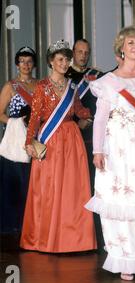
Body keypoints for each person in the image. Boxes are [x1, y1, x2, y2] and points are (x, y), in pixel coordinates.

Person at [85, 25, 135, 281]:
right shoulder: (108, 82)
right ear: (121, 47)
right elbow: (99, 119)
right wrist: (97, 150)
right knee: (120, 198)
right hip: (117, 146)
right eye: (130, 43)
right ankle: (123, 257)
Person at [20, 40, 97, 253]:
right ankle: (46, 239)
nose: (65, 63)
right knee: (50, 189)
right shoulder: (42, 87)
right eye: (61, 59)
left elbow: (80, 110)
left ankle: (73, 239)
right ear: (51, 62)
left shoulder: (72, 86)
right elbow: (35, 118)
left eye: (67, 59)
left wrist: (93, 116)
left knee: (73, 189)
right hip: (51, 141)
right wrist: (29, 143)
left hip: (72, 140)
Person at [65, 39, 105, 250]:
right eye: (79, 52)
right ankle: (75, 229)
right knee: (75, 184)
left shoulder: (96, 75)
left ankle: (95, 232)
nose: (83, 55)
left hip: (95, 138)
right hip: (72, 136)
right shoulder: (64, 75)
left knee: (93, 184)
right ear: (73, 53)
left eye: (86, 52)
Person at [0, 46, 37, 234]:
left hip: (36, 141)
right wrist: (16, 123)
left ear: (34, 64)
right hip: (16, 142)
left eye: (29, 61)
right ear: (17, 64)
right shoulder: (11, 86)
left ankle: (31, 224)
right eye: (22, 61)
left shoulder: (40, 86)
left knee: (32, 184)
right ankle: (12, 227)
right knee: (14, 183)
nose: (26, 65)